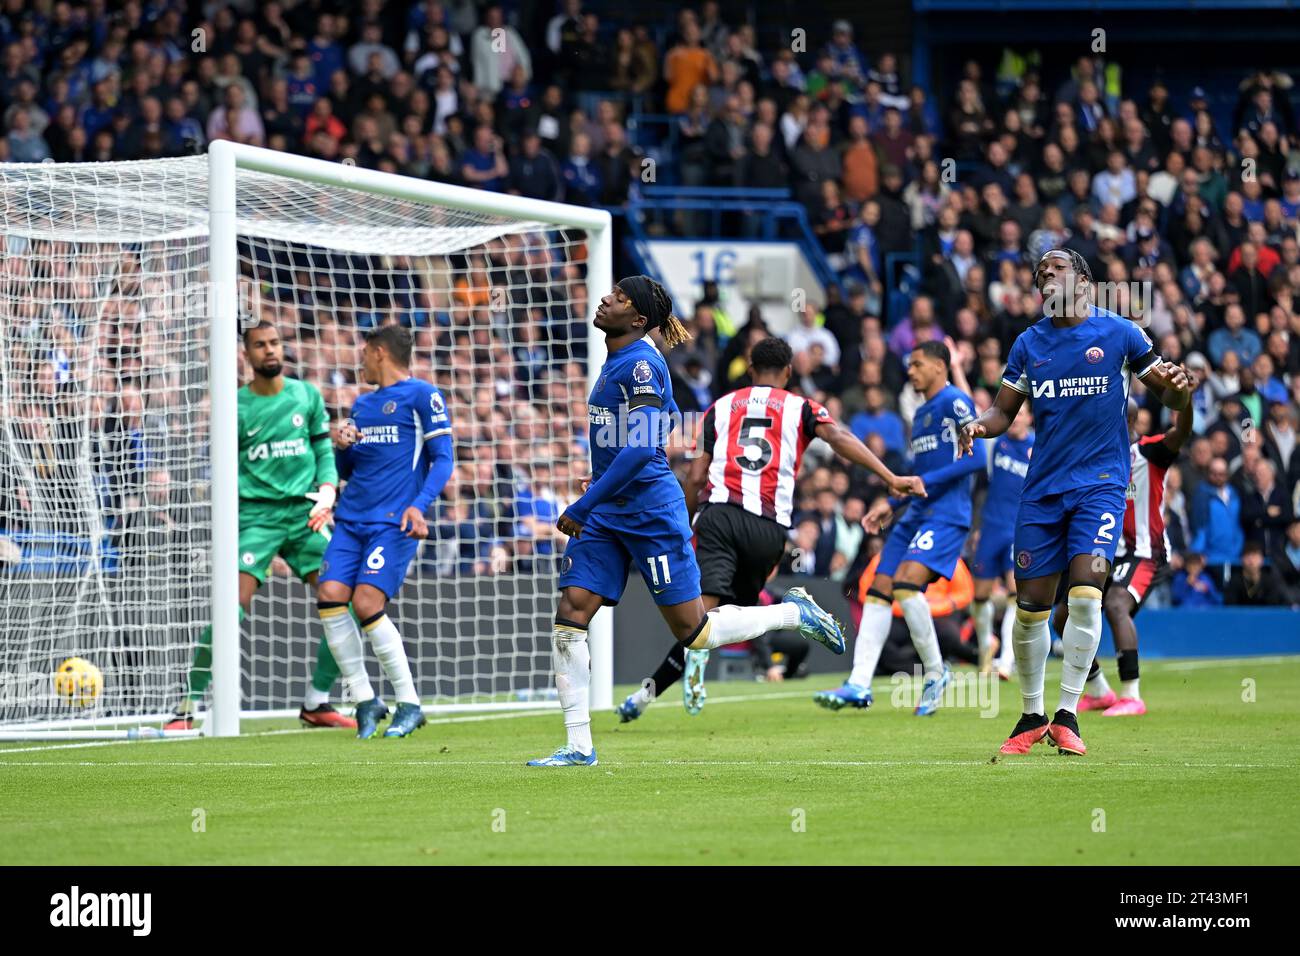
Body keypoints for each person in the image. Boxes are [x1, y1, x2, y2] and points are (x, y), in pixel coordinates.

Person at [529, 277, 846, 767]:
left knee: (693, 632)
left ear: (637, 320)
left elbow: (638, 450)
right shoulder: (624, 361)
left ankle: (791, 613)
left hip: (648, 509)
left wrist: (585, 503)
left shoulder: (639, 363)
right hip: (609, 510)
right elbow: (665, 417)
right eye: (609, 292)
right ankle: (578, 745)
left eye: (618, 297)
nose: (605, 299)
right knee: (571, 614)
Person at [616, 336, 923, 723]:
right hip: (769, 530)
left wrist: (682, 525)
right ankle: (649, 694)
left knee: (703, 623)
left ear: (749, 368)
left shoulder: (720, 407)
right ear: (789, 372)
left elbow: (695, 475)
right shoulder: (802, 406)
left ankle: (663, 683)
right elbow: (839, 438)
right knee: (728, 620)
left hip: (720, 518)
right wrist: (889, 475)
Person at [959, 248, 1191, 756]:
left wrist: (1181, 393)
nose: (1045, 275)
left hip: (1100, 486)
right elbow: (1002, 412)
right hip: (1042, 491)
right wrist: (978, 424)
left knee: (1087, 593)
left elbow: (1168, 397)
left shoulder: (1120, 334)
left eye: (1056, 267)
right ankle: (1031, 715)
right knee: (1030, 612)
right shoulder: (1028, 343)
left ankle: (1068, 714)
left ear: (1083, 280)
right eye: (1040, 271)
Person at [165, 322, 354, 731]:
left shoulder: (306, 395)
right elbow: (223, 466)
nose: (269, 351)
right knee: (231, 606)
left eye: (274, 343)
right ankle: (187, 706)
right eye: (259, 346)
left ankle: (318, 703)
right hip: (256, 517)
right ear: (246, 356)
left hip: (307, 514)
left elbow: (322, 447)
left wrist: (326, 489)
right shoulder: (236, 407)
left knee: (345, 599)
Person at [815, 340, 986, 715]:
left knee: (906, 583)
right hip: (914, 514)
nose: (910, 371)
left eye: (918, 364)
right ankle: (859, 684)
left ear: (941, 367)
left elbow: (979, 459)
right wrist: (890, 505)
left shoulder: (954, 402)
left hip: (946, 514)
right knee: (879, 589)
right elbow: (916, 479)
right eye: (909, 365)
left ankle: (936, 673)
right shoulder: (923, 414)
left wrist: (928, 481)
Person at [315, 325, 455, 739]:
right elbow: (348, 472)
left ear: (378, 352)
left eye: (363, 354)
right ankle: (365, 701)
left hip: (393, 521)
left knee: (366, 600)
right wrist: (342, 447)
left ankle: (408, 703)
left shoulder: (421, 395)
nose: (359, 363)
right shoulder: (361, 405)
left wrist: (419, 505)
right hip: (351, 517)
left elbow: (443, 459)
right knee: (330, 595)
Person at [1076, 400, 1193, 717]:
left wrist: (1187, 401)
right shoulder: (1096, 458)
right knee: (1065, 615)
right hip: (1106, 553)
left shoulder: (1148, 453)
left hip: (1145, 552)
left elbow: (1181, 432)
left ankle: (1132, 694)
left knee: (1115, 605)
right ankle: (1099, 689)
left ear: (1131, 422)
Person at [969, 403, 1033, 676]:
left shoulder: (1038, 447)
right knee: (979, 596)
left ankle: (1007, 660)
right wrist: (958, 369)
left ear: (1030, 417)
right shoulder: (996, 444)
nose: (1016, 419)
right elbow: (977, 413)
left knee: (1014, 593)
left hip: (1018, 529)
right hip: (991, 527)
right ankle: (987, 645)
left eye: (1021, 414)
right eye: (1013, 414)